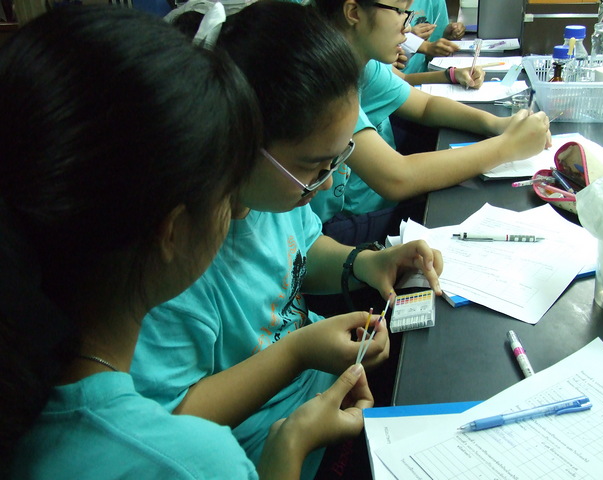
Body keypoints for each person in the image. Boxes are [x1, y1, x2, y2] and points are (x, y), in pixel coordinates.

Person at [0, 6, 375, 479]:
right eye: (226, 185)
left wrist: (359, 265)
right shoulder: (191, 460)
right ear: (173, 230)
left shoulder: (31, 375)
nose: (238, 208)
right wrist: (288, 450)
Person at [130, 2, 444, 480]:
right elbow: (171, 423)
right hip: (271, 450)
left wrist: (365, 262)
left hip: (324, 395)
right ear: (241, 143)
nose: (327, 181)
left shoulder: (274, 200)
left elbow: (303, 251)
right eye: (314, 167)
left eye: (339, 158)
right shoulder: (178, 263)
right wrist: (295, 354)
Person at [311, 0, 551, 246]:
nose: (407, 27)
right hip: (332, 227)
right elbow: (396, 177)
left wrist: (498, 124)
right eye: (400, 12)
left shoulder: (363, 64)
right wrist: (508, 146)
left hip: (371, 204)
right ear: (353, 12)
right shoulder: (322, 83)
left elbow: (425, 105)